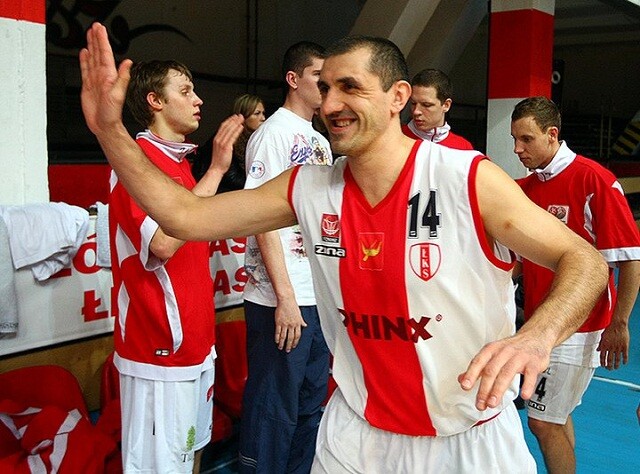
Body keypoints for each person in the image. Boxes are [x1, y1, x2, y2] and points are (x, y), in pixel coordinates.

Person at [80, 23, 609, 473]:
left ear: (398, 97)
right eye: (326, 88)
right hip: (356, 436)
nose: (331, 104)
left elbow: (584, 260)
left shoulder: (466, 177)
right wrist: (110, 131)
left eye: (350, 87)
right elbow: (184, 217)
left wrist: (537, 336)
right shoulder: (307, 186)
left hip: (466, 439)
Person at [108, 58, 244, 473]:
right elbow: (164, 243)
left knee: (192, 451)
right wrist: (217, 171)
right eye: (185, 91)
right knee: (162, 466)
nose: (198, 100)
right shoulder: (135, 162)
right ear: (155, 101)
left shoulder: (179, 162)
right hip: (158, 353)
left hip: (196, 344)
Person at [511, 96, 640, 474]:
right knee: (555, 414)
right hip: (540, 324)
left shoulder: (594, 180)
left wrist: (619, 322)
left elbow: (630, 258)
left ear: (552, 135)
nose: (518, 149)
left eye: (527, 139)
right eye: (514, 139)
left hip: (582, 327)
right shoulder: (526, 188)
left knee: (542, 421)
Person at [240, 41, 333, 474]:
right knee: (273, 408)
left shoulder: (321, 140)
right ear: (294, 79)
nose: (327, 87)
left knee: (310, 406)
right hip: (279, 298)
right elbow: (260, 218)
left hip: (317, 297)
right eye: (318, 77)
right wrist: (285, 297)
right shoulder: (272, 134)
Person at [192, 93, 266, 190]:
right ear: (243, 116)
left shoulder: (254, 137)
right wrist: (258, 185)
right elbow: (231, 178)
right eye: (257, 113)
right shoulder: (228, 136)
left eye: (263, 113)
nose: (263, 118)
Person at [402, 68, 474, 149]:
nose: (416, 111)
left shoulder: (463, 148)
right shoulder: (396, 138)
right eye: (413, 103)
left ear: (446, 105)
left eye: (426, 105)